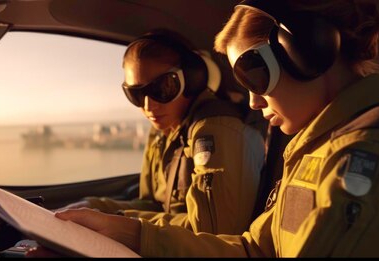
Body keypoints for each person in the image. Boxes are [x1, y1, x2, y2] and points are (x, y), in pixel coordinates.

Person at [55, 0, 379, 257]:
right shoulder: (316, 146)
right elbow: (253, 250)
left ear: (304, 54)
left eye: (255, 77)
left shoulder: (369, 154)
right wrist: (124, 233)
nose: (255, 103)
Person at [61, 29, 266, 235]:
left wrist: (120, 223)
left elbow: (213, 232)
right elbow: (154, 205)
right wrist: (93, 207)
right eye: (136, 94)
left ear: (194, 79)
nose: (149, 106)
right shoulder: (162, 132)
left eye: (162, 88)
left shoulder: (216, 131)